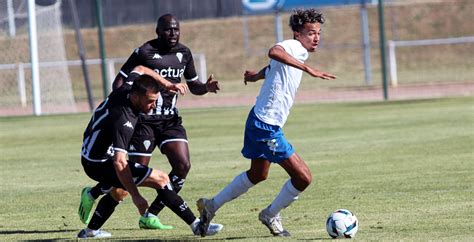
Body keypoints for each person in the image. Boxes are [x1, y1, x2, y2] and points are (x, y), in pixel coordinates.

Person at [196, 8, 336, 237]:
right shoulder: (293, 47)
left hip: (259, 120)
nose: (316, 37)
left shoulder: (298, 51)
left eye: (318, 32)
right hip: (265, 126)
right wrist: (307, 69)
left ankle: (211, 206)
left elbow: (275, 65)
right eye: (311, 32)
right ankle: (270, 214)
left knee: (258, 174)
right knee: (303, 177)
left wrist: (256, 76)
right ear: (298, 34)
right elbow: (275, 52)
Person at [78, 13, 220, 230]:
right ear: (158, 31)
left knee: (182, 166)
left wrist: (204, 88)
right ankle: (94, 202)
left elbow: (190, 84)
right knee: (126, 181)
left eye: (176, 29)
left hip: (169, 120)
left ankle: (151, 215)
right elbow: (123, 80)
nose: (172, 33)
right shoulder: (145, 52)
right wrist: (123, 108)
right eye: (167, 29)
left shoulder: (184, 53)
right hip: (142, 123)